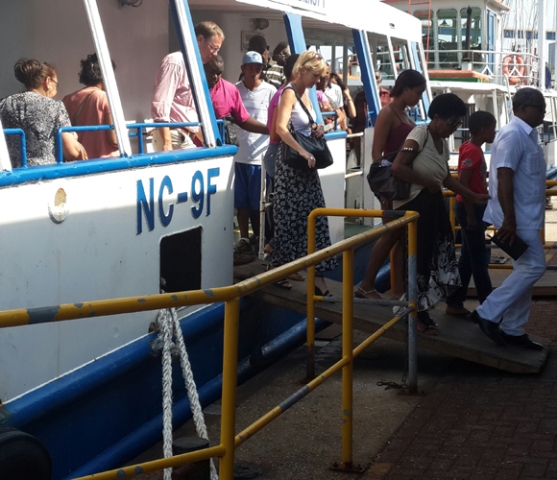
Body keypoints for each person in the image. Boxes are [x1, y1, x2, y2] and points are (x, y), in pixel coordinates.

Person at [390, 93, 488, 335]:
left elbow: (444, 178)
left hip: (432, 204)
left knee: (438, 257)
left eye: (457, 124)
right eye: (451, 123)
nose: (453, 128)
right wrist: (427, 183)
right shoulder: (419, 134)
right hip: (415, 205)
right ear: (436, 118)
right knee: (419, 259)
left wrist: (473, 195)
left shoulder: (443, 142)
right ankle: (414, 314)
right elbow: (398, 166)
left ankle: (422, 309)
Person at [472, 88, 547, 350]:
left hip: (527, 216)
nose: (544, 111)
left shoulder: (528, 136)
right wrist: (510, 220)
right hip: (516, 218)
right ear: (524, 108)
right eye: (540, 106)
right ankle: (487, 313)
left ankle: (513, 329)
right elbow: (504, 176)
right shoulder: (513, 135)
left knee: (523, 270)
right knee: (534, 267)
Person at [355, 69, 427, 301]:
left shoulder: (403, 113)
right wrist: (384, 190)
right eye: (417, 93)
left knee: (399, 237)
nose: (418, 98)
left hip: (403, 183)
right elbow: (378, 153)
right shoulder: (389, 113)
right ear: (405, 89)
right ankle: (366, 284)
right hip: (393, 184)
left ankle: (398, 290)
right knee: (391, 234)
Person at [272, 51, 337, 293]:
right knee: (290, 219)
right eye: (315, 76)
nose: (317, 81)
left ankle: (317, 277)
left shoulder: (306, 94)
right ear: (303, 70)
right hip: (292, 168)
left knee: (315, 218)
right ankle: (281, 268)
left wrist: (318, 128)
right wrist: (302, 151)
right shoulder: (288, 93)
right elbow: (280, 128)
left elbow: (303, 125)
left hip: (305, 167)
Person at [203, 55, 269, 265]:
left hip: (237, 157)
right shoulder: (195, 87)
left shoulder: (230, 90)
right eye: (211, 72)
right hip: (209, 160)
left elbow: (243, 120)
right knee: (239, 204)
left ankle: (253, 241)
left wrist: (272, 131)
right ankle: (238, 240)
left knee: (253, 203)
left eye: (219, 73)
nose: (215, 77)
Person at [445, 111, 496, 315]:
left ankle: (455, 302)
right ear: (483, 130)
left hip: (473, 206)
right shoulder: (473, 151)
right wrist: (472, 216)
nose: (494, 133)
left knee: (467, 257)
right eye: (492, 129)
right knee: (479, 260)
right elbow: (463, 184)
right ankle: (489, 307)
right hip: (471, 208)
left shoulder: (468, 147)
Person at [150, 21, 224, 151]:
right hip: (174, 136)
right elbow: (161, 103)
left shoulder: (196, 67)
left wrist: (209, 143)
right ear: (200, 40)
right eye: (213, 48)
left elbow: (190, 111)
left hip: (185, 136)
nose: (215, 54)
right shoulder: (175, 61)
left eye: (217, 49)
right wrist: (167, 143)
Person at [0, 59, 85, 167]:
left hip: (11, 175)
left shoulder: (3, 104)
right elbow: (71, 152)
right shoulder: (54, 106)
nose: (57, 89)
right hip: (44, 175)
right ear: (48, 82)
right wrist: (74, 137)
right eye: (56, 84)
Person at [234, 52, 276, 264]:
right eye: (250, 67)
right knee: (241, 203)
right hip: (239, 156)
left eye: (257, 67)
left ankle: (260, 239)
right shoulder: (235, 90)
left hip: (260, 157)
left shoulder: (270, 91)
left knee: (259, 203)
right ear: (243, 68)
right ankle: (244, 238)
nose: (254, 71)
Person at [63, 53, 118, 159]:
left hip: (80, 161)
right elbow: (115, 139)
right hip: (105, 162)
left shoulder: (67, 99)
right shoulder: (105, 97)